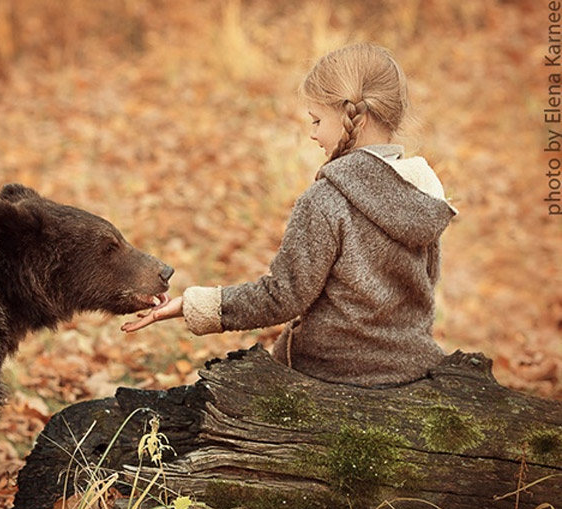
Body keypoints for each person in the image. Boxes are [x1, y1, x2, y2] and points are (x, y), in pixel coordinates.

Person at [122, 43, 457, 387]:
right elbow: (425, 289)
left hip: (326, 372)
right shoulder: (423, 192)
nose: (312, 133)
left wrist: (194, 305)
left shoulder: (326, 199)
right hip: (410, 368)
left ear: (351, 115)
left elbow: (282, 297)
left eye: (317, 120)